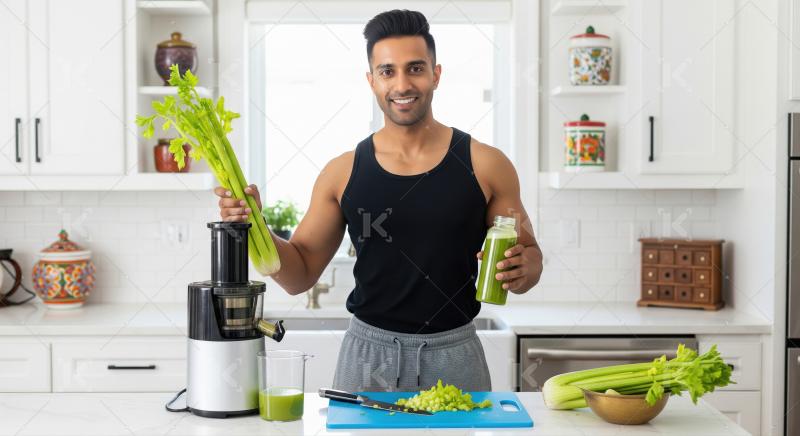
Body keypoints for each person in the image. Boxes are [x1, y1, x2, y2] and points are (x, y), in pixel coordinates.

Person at [216, 9, 543, 392]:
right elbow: (299, 275)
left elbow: (530, 255)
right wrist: (255, 228)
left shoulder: (488, 165)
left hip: (456, 356)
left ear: (436, 74)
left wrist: (525, 269)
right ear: (372, 81)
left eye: (416, 68)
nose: (402, 84)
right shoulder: (342, 173)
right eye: (388, 71)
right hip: (366, 359)